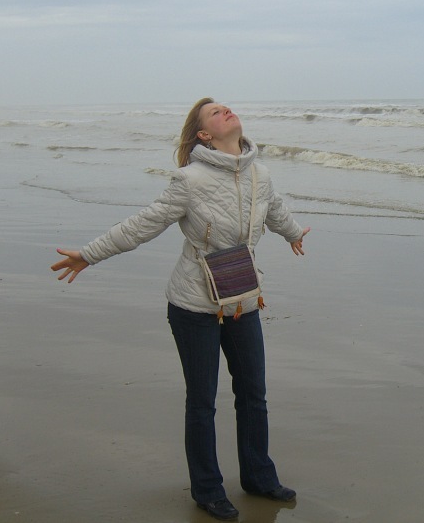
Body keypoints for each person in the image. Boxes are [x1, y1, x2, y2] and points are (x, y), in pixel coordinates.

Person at [51, 98, 310, 521]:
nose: (226, 111)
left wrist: (294, 233)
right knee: (202, 401)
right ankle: (207, 489)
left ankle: (259, 477)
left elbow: (276, 210)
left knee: (253, 395)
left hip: (242, 299)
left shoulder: (260, 174)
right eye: (215, 113)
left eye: (226, 107)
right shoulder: (189, 180)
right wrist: (89, 254)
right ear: (204, 135)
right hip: (193, 305)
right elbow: (143, 224)